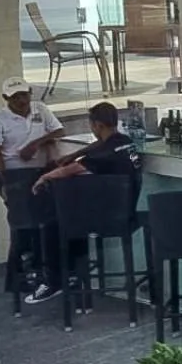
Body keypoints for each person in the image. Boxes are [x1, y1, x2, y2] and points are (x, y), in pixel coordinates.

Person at [29, 102, 143, 304]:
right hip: (127, 213)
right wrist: (75, 154)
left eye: (92, 125)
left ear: (97, 125)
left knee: (52, 223)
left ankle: (54, 280)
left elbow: (70, 170)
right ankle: (73, 272)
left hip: (106, 219)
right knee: (69, 216)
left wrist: (44, 178)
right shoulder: (126, 142)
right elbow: (101, 145)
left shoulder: (100, 156)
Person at [0, 77, 64, 302]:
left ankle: (43, 272)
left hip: (38, 171)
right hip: (14, 174)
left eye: (24, 95)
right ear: (6, 99)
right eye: (16, 97)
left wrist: (36, 143)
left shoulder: (40, 109)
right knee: (23, 225)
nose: (22, 100)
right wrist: (6, 182)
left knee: (45, 222)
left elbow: (58, 131)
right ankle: (19, 277)